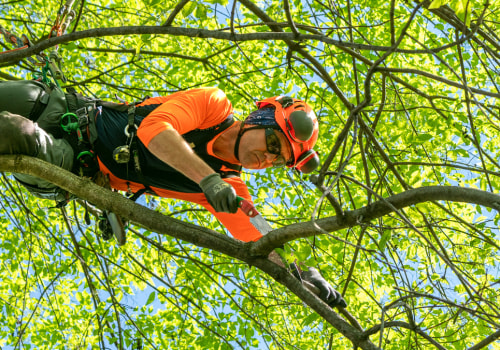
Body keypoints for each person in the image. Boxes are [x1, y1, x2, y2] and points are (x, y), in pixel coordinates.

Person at [0, 80, 346, 307]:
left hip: (72, 164)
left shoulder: (230, 188)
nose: (267, 158)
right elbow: (155, 128)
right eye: (272, 143)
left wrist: (299, 274)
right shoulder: (213, 106)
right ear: (259, 119)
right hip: (59, 108)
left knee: (14, 133)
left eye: (277, 160)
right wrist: (208, 179)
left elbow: (255, 236)